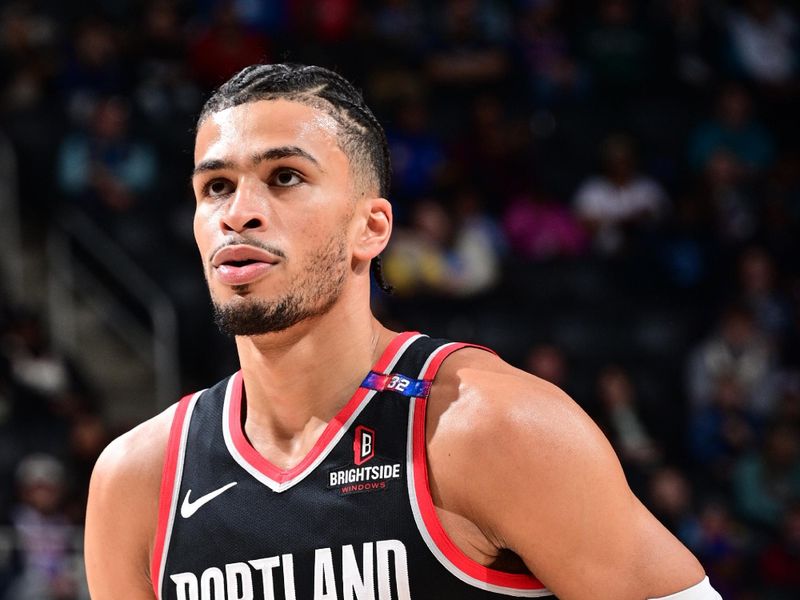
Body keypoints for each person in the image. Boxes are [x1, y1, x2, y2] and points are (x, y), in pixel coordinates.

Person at [84, 63, 720, 599]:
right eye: (215, 187)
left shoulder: (491, 430)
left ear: (372, 227)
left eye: (285, 177)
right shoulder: (137, 482)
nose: (238, 214)